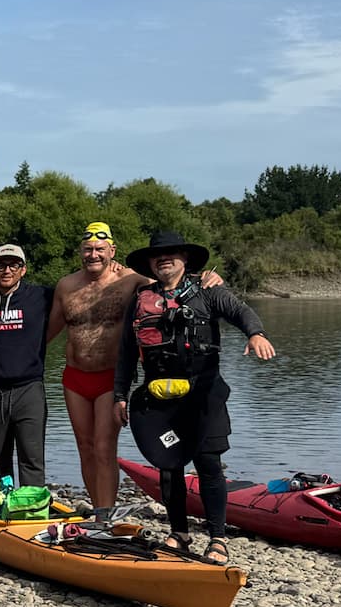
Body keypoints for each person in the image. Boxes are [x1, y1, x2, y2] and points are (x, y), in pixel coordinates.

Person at [116, 231, 276, 564]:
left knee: (208, 464)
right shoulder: (140, 298)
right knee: (168, 465)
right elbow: (126, 352)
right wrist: (120, 394)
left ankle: (217, 538)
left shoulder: (208, 291)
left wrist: (255, 333)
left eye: (172, 253)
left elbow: (241, 311)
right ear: (149, 263)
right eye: (157, 255)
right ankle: (179, 533)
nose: (164, 259)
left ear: (185, 259)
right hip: (161, 397)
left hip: (203, 393)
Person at [51, 222, 223, 511]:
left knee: (104, 449)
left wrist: (206, 277)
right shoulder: (66, 285)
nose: (93, 254)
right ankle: (97, 510)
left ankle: (105, 517)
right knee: (85, 449)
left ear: (112, 251)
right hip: (74, 378)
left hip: (110, 377)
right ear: (80, 252)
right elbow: (47, 332)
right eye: (88, 249)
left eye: (100, 249)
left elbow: (171, 284)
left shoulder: (131, 281)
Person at [0, 244, 53, 487]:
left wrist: (116, 270)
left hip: (29, 389)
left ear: (23, 270)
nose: (6, 270)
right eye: (0, 265)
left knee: (32, 459)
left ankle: (32, 511)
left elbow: (77, 291)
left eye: (13, 265)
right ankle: (2, 508)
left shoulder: (41, 296)